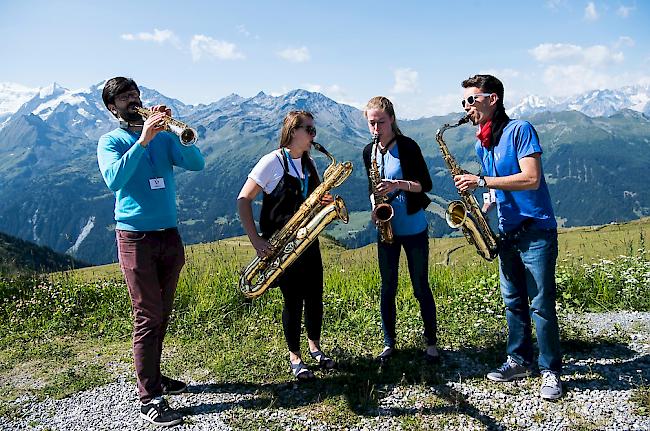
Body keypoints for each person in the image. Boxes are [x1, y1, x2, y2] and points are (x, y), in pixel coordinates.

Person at [97, 77, 205, 426]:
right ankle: (150, 399)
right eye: (125, 97)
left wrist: (174, 133)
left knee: (162, 313)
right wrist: (144, 140)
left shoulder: (162, 137)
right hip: (136, 238)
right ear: (113, 107)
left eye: (135, 94)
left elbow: (197, 164)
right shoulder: (111, 141)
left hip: (168, 235)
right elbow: (114, 179)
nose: (133, 100)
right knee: (147, 315)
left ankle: (155, 378)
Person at [453, 74, 562, 400]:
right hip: (507, 231)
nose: (467, 107)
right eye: (464, 101)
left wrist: (483, 182)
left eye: (471, 99)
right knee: (513, 302)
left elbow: (531, 178)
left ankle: (550, 370)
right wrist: (486, 204)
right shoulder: (482, 141)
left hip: (536, 230)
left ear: (493, 98)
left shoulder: (520, 130)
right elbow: (500, 186)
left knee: (541, 304)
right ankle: (518, 360)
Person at [237, 110, 336, 381]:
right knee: (293, 301)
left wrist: (323, 203)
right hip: (282, 245)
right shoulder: (272, 162)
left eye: (314, 130)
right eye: (310, 130)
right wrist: (256, 239)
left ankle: (315, 346)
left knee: (315, 296)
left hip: (307, 242)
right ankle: (295, 356)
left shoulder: (309, 163)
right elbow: (243, 200)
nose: (314, 136)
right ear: (294, 131)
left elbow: (311, 200)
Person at [362, 96, 439, 363]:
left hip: (414, 225)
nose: (376, 129)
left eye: (380, 122)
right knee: (388, 287)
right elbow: (372, 188)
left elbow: (425, 185)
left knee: (420, 286)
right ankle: (389, 342)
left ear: (392, 119)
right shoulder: (368, 151)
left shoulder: (408, 147)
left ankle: (431, 342)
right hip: (388, 229)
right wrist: (375, 206)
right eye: (372, 123)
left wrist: (398, 184)